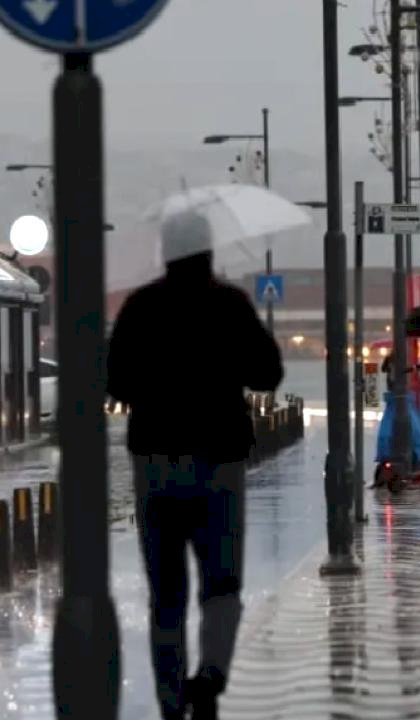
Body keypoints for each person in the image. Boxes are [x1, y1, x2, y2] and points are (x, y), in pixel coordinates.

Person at [107, 201, 284, 720]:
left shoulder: (140, 307)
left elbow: (115, 382)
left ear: (166, 249)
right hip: (219, 459)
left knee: (165, 593)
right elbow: (268, 374)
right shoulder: (229, 304)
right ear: (209, 248)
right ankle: (210, 674)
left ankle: (169, 701)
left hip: (156, 462)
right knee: (221, 581)